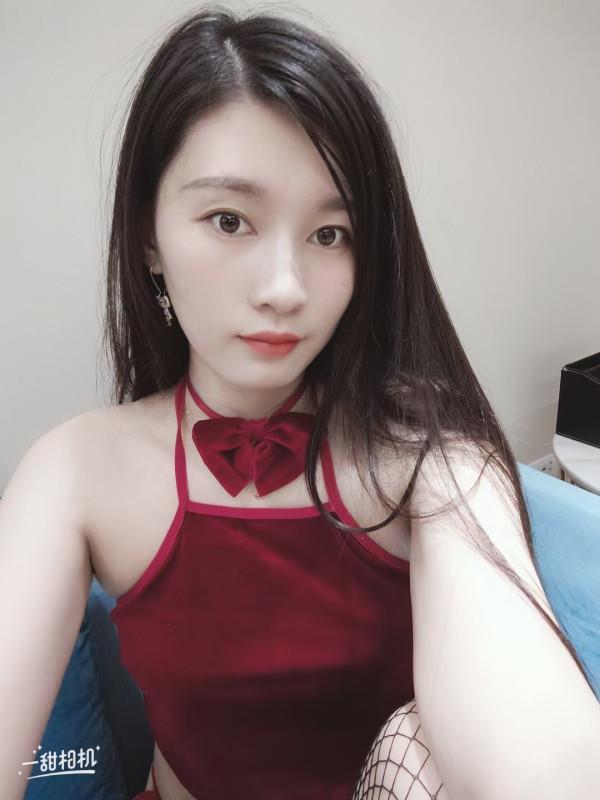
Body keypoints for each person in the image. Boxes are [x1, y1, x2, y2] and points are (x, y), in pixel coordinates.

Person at [1, 6, 598, 800]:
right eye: (229, 220)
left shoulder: (432, 452)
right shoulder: (75, 471)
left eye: (330, 234)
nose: (284, 289)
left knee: (417, 744)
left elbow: (534, 750)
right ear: (149, 235)